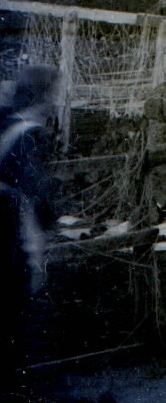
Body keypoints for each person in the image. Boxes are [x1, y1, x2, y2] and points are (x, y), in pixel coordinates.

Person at [2, 65, 59, 390]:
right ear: (42, 97)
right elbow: (37, 195)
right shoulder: (30, 135)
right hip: (10, 232)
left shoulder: (6, 123)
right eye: (52, 94)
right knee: (15, 317)